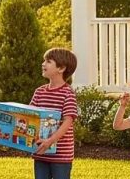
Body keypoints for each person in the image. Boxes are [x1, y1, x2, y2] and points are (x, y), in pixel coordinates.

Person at [30, 48, 79, 179]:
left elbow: (68, 121)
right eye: (44, 61)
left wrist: (50, 141)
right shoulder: (39, 92)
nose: (43, 64)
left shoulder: (68, 93)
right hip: (41, 151)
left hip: (61, 155)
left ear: (61, 68)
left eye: (48, 61)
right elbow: (30, 116)